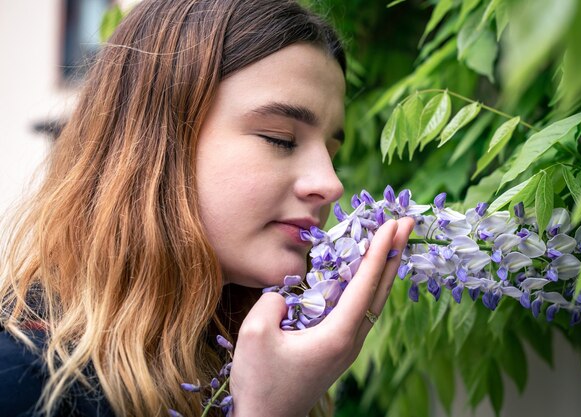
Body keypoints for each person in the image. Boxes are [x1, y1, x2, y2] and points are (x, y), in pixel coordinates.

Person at [0, 0, 414, 416]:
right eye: (281, 139)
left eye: (331, 151)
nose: (331, 184)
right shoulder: (20, 379)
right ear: (157, 143)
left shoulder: (247, 364)